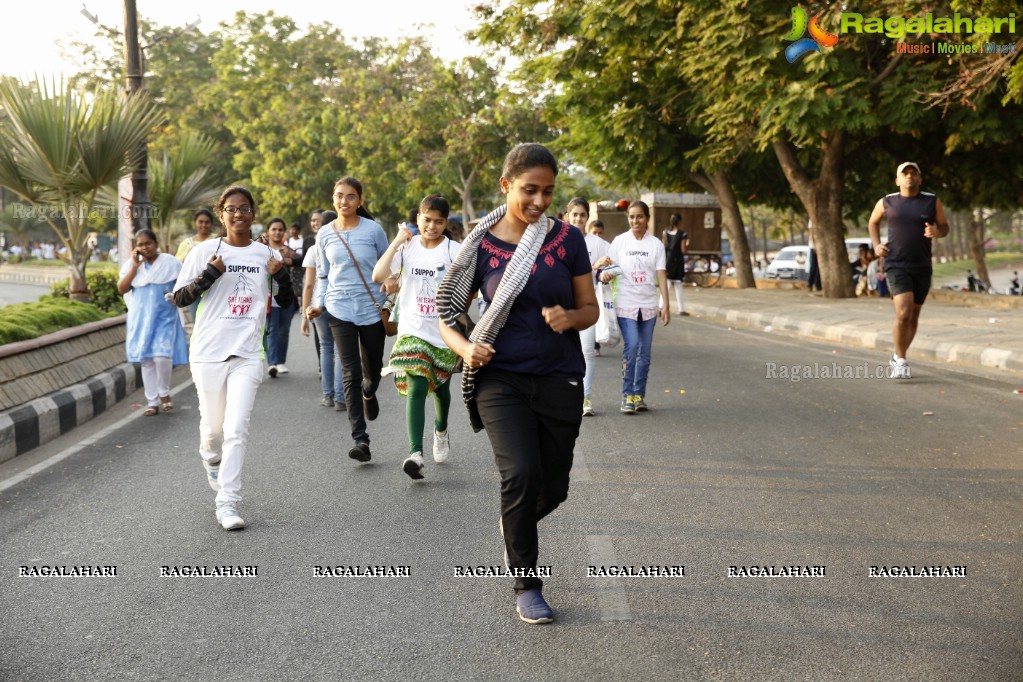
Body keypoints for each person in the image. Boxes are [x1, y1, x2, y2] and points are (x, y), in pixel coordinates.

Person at [437, 143, 598, 625]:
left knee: (555, 487)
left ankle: (515, 522)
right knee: (521, 476)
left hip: (559, 376)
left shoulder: (568, 240)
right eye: (530, 190)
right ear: (506, 185)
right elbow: (445, 316)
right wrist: (467, 350)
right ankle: (527, 582)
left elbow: (590, 309)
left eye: (548, 192)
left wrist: (569, 317)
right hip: (500, 378)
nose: (540, 201)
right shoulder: (480, 247)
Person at [172, 186, 293, 530]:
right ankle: (211, 458)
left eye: (244, 209)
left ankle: (227, 503)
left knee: (236, 428)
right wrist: (210, 274)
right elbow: (180, 298)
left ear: (253, 214)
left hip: (248, 352)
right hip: (208, 352)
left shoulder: (265, 253)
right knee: (213, 432)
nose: (238, 214)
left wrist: (280, 274)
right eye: (231, 209)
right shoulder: (204, 251)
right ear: (221, 214)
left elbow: (285, 302)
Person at [372, 195, 461, 480]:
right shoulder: (407, 247)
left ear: (445, 223)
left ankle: (442, 430)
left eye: (438, 221)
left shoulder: (453, 250)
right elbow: (378, 275)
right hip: (412, 328)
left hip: (442, 331)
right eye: (426, 220)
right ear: (417, 219)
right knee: (417, 384)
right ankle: (415, 454)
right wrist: (397, 241)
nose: (431, 226)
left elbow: (470, 284)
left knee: (442, 388)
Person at [306, 177, 389, 463]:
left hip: (372, 308)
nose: (344, 201)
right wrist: (318, 304)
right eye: (339, 196)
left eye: (351, 196)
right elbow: (324, 274)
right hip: (338, 308)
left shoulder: (374, 230)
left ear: (360, 200)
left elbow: (388, 266)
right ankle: (360, 439)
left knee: (373, 370)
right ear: (333, 199)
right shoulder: (325, 234)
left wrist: (392, 288)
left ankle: (370, 389)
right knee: (350, 372)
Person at [867, 161, 948, 379]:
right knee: (903, 312)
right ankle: (901, 361)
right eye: (905, 174)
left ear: (920, 179)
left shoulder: (931, 201)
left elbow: (944, 226)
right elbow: (872, 222)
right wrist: (876, 245)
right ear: (898, 180)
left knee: (913, 316)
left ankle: (898, 355)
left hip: (922, 265)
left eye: (914, 173)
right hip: (896, 263)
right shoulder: (887, 202)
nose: (909, 177)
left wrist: (937, 231)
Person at [600, 200, 670, 413]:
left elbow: (661, 274)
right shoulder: (620, 242)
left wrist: (665, 304)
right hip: (626, 303)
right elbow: (610, 270)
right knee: (631, 347)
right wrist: (605, 273)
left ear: (647, 219)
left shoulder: (656, 244)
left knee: (645, 353)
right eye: (631, 217)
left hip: (648, 305)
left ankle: (639, 395)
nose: (635, 221)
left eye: (639, 216)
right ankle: (626, 396)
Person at [116, 228, 189, 416]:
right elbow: (122, 288)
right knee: (147, 359)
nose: (145, 247)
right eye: (140, 244)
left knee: (162, 357)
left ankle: (164, 393)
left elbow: (183, 286)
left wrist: (175, 297)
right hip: (140, 319)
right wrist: (134, 266)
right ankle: (152, 401)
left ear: (156, 244)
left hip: (165, 318)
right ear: (135, 248)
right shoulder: (131, 266)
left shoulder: (171, 263)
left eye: (148, 243)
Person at [565, 198, 609, 416]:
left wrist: (604, 272)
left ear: (587, 217)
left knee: (587, 352)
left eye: (582, 215)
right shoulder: (559, 240)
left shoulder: (597, 243)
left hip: (587, 305)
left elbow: (614, 265)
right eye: (574, 214)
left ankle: (585, 397)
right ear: (568, 216)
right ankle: (563, 396)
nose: (578, 218)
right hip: (562, 304)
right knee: (561, 352)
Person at [301, 210, 345, 409]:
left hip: (318, 303)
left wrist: (305, 312)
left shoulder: (313, 249)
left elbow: (309, 285)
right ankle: (340, 397)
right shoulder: (341, 245)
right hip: (339, 301)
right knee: (338, 349)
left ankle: (328, 395)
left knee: (326, 347)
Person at [263, 217, 300, 377]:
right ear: (268, 232)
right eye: (274, 229)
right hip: (267, 297)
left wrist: (285, 260)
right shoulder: (261, 250)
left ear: (284, 232)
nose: (277, 232)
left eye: (280, 229)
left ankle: (281, 362)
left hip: (286, 297)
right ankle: (272, 363)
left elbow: (300, 260)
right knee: (272, 330)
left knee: (284, 330)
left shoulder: (287, 251)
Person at [175, 209, 216, 324]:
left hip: (215, 287)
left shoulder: (217, 240)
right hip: (194, 288)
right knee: (198, 321)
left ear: (211, 223)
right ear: (195, 223)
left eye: (207, 222)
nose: (204, 225)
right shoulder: (186, 244)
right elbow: (178, 266)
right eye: (200, 222)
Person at [662, 213, 689, 315]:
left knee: (666, 285)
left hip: (667, 261)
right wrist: (687, 246)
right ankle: (681, 309)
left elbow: (662, 247)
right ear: (680, 222)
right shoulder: (683, 234)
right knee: (678, 285)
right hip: (678, 262)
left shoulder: (665, 232)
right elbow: (683, 250)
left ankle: (661, 307)